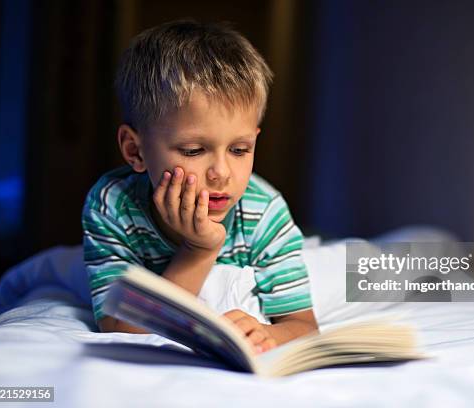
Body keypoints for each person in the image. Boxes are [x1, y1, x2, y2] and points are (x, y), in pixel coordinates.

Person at [82, 20, 317, 354]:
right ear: (135, 150)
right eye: (193, 150)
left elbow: (303, 325)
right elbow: (122, 329)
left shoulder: (264, 211)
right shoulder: (112, 207)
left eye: (240, 149)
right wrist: (198, 249)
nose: (221, 173)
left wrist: (271, 335)